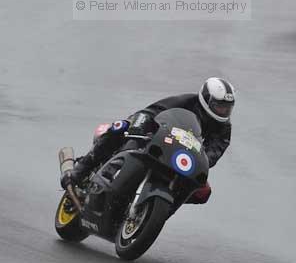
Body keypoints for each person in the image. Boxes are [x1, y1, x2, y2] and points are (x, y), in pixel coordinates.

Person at [61, 77, 235, 205]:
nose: (223, 111)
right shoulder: (186, 101)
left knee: (203, 192)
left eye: (227, 107)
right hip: (155, 136)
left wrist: (199, 162)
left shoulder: (224, 129)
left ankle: (160, 207)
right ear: (205, 99)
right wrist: (139, 128)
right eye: (219, 106)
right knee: (120, 127)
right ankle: (80, 172)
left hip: (179, 155)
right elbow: (150, 112)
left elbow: (211, 156)